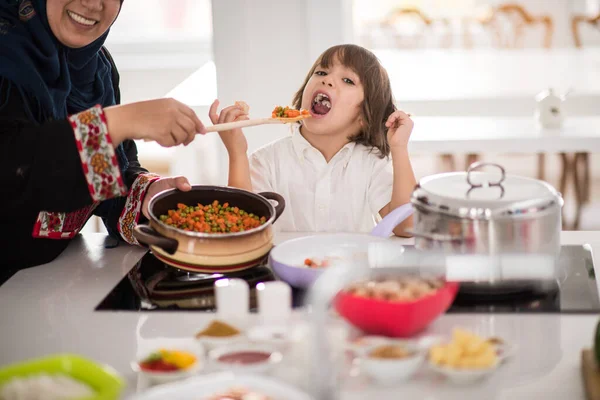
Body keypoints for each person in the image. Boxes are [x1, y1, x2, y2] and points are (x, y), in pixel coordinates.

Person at [0, 0, 207, 274]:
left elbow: (102, 184)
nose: (91, 3)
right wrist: (120, 122)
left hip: (51, 284)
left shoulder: (98, 69)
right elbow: (14, 171)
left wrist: (145, 195)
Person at [210, 44, 416, 235]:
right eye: (321, 72)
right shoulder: (266, 161)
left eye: (348, 80)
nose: (327, 80)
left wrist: (399, 149)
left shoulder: (372, 163)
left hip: (351, 272)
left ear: (364, 115)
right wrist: (236, 153)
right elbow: (242, 228)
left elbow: (405, 227)